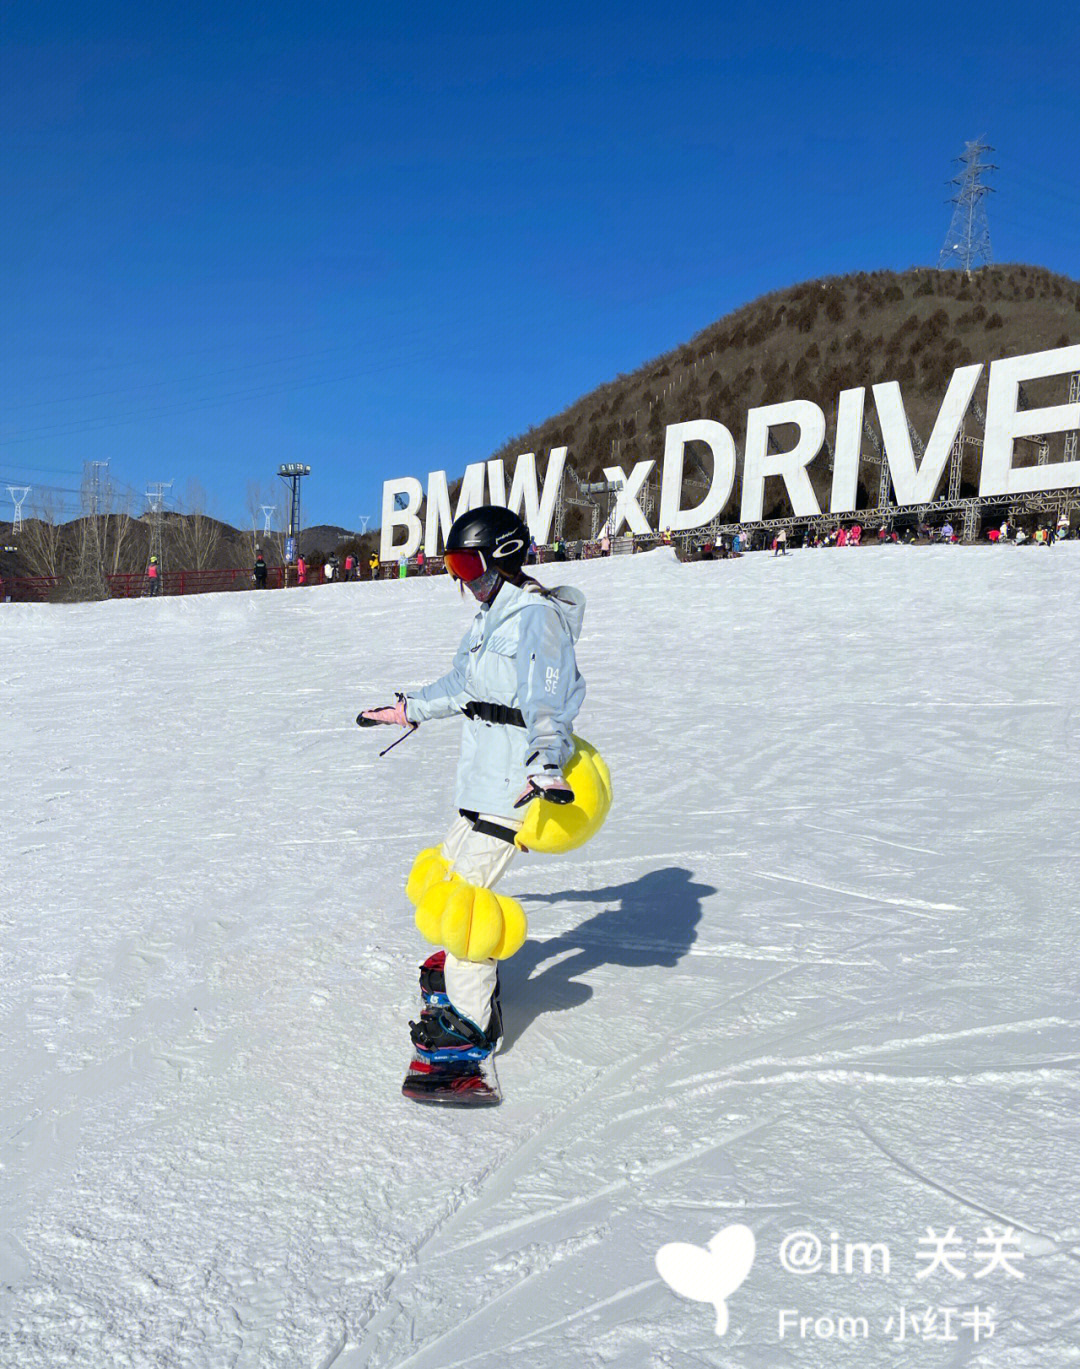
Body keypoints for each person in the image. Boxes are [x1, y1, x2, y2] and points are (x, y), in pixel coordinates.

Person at [358, 505, 587, 1088]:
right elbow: (463, 687)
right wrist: (409, 707)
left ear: (504, 556)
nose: (462, 578)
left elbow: (548, 703)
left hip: (516, 784)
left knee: (465, 905)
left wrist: (545, 766)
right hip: (482, 783)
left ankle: (471, 1026)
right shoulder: (491, 617)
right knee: (441, 876)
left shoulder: (537, 619)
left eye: (468, 562)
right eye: (454, 565)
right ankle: (463, 973)